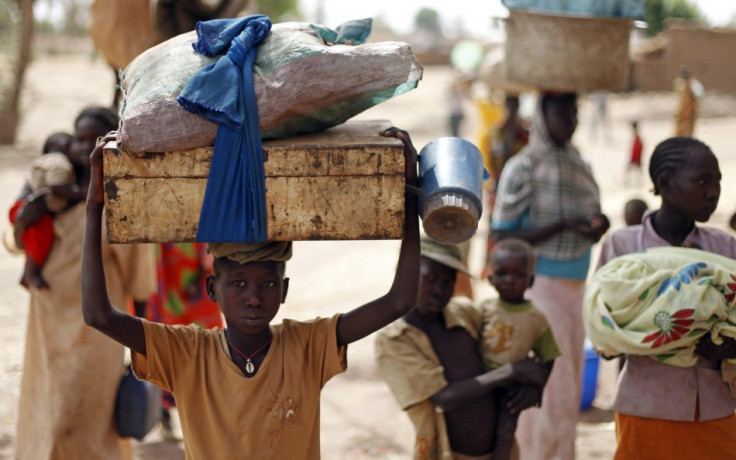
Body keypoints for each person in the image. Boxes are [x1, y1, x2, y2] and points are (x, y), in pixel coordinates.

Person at [81, 127, 422, 459]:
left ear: (285, 289)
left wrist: (408, 195)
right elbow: (98, 315)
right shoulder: (186, 354)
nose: (254, 297)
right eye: (239, 283)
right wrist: (94, 207)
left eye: (269, 284)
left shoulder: (307, 346)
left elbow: (399, 301)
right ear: (213, 289)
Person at [13, 107, 156, 460]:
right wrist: (23, 221)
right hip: (46, 329)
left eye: (91, 139)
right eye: (77, 138)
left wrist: (142, 345)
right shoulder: (50, 191)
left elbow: (140, 281)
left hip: (97, 334)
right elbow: (15, 240)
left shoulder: (120, 203)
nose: (81, 147)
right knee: (45, 409)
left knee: (84, 419)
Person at [595, 136, 736, 460]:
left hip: (715, 408)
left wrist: (729, 348)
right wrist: (656, 333)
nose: (714, 192)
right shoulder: (624, 248)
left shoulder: (725, 249)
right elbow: (603, 335)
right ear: (664, 182)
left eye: (718, 181)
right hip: (647, 408)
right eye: (703, 181)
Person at [490, 91, 609, 460]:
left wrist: (597, 225)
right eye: (561, 112)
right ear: (542, 115)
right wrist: (561, 225)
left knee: (568, 391)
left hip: (577, 289)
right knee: (551, 393)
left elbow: (593, 214)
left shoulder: (580, 165)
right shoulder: (522, 167)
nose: (570, 120)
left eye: (574, 112)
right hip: (540, 288)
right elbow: (502, 234)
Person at [375, 237, 550, 460]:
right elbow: (444, 398)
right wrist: (512, 371)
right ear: (406, 275)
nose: (439, 290)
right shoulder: (394, 341)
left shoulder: (464, 312)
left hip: (500, 451)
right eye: (431, 279)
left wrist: (531, 386)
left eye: (448, 282)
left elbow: (515, 342)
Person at [478, 238, 561, 460]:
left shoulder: (536, 318)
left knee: (505, 430)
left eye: (518, 275)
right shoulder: (483, 310)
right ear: (490, 277)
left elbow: (549, 356)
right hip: (482, 382)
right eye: (503, 273)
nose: (510, 280)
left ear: (531, 280)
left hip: (511, 390)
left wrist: (538, 387)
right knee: (480, 428)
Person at [142, 242, 225, 439]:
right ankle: (164, 411)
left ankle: (207, 413)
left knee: (205, 337)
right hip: (161, 259)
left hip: (193, 252)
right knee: (163, 334)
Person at [9, 131, 77, 289]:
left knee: (35, 242)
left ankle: (28, 273)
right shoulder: (58, 162)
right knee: (41, 239)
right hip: (31, 210)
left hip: (24, 209)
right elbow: (55, 188)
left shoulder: (44, 163)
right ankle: (31, 274)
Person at [674, 67, 703, 137]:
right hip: (682, 111)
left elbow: (698, 96)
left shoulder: (694, 85)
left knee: (688, 130)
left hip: (690, 111)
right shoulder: (680, 84)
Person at [624, 120, 643, 185]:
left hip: (635, 158)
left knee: (631, 169)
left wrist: (635, 158)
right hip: (636, 157)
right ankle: (633, 181)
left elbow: (638, 147)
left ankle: (628, 181)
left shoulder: (637, 137)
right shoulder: (637, 137)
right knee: (636, 170)